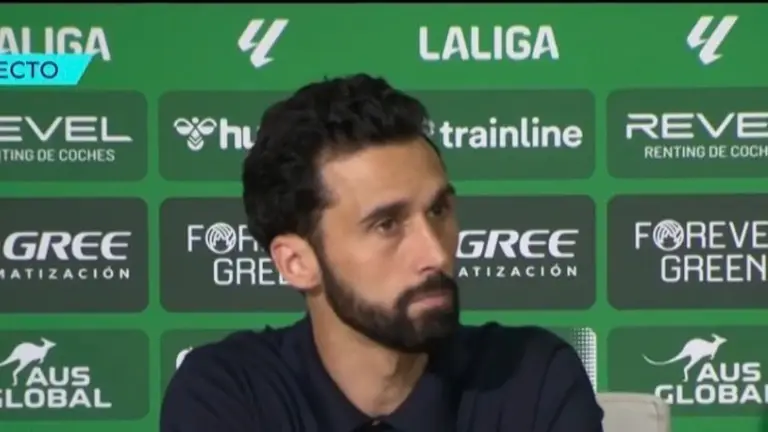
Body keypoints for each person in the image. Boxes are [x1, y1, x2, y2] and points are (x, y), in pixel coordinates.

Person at [160, 73, 604, 432]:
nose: (435, 253)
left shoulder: (533, 380)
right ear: (297, 263)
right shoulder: (227, 394)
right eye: (387, 224)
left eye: (439, 210)